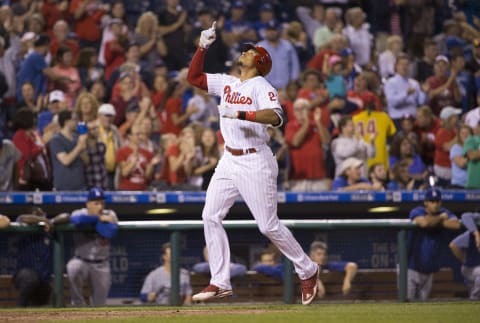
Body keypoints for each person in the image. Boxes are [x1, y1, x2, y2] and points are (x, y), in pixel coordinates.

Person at [186, 22, 319, 305]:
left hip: (255, 159)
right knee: (210, 216)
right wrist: (202, 47)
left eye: (250, 52)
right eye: (245, 50)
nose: (244, 52)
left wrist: (242, 114)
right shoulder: (228, 82)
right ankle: (220, 282)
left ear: (258, 61)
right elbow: (194, 78)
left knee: (268, 226)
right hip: (228, 160)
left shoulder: (262, 85)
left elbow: (276, 117)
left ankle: (307, 269)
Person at [66, 187, 118, 306]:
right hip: (82, 260)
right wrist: (98, 219)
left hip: (101, 264)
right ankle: (78, 305)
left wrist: (94, 223)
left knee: (99, 305)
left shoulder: (110, 214)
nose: (100, 207)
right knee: (72, 267)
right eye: (96, 203)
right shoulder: (80, 213)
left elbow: (111, 232)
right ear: (88, 204)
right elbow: (76, 220)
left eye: (102, 203)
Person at [407, 188, 460, 301]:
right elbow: (424, 223)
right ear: (426, 202)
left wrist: (435, 221)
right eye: (432, 201)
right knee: (406, 305)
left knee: (423, 307)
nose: (435, 204)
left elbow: (456, 225)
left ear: (440, 202)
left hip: (428, 271)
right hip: (410, 268)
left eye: (437, 201)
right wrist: (440, 219)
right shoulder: (417, 211)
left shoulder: (445, 211)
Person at [13, 207, 69, 307]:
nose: (39, 216)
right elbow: (22, 218)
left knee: (47, 295)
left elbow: (66, 216)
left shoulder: (47, 227)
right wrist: (43, 220)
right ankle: (20, 308)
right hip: (24, 276)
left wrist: (51, 221)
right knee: (30, 278)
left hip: (43, 279)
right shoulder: (24, 226)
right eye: (35, 214)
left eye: (41, 214)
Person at [449, 212, 480, 300]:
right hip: (472, 268)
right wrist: (476, 234)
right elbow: (465, 216)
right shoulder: (471, 234)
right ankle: (474, 299)